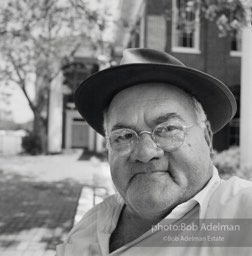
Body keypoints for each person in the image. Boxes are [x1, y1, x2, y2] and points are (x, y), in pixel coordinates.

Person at [56, 48, 252, 256]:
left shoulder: (243, 215)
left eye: (168, 129)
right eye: (124, 136)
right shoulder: (87, 228)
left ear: (207, 137)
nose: (146, 152)